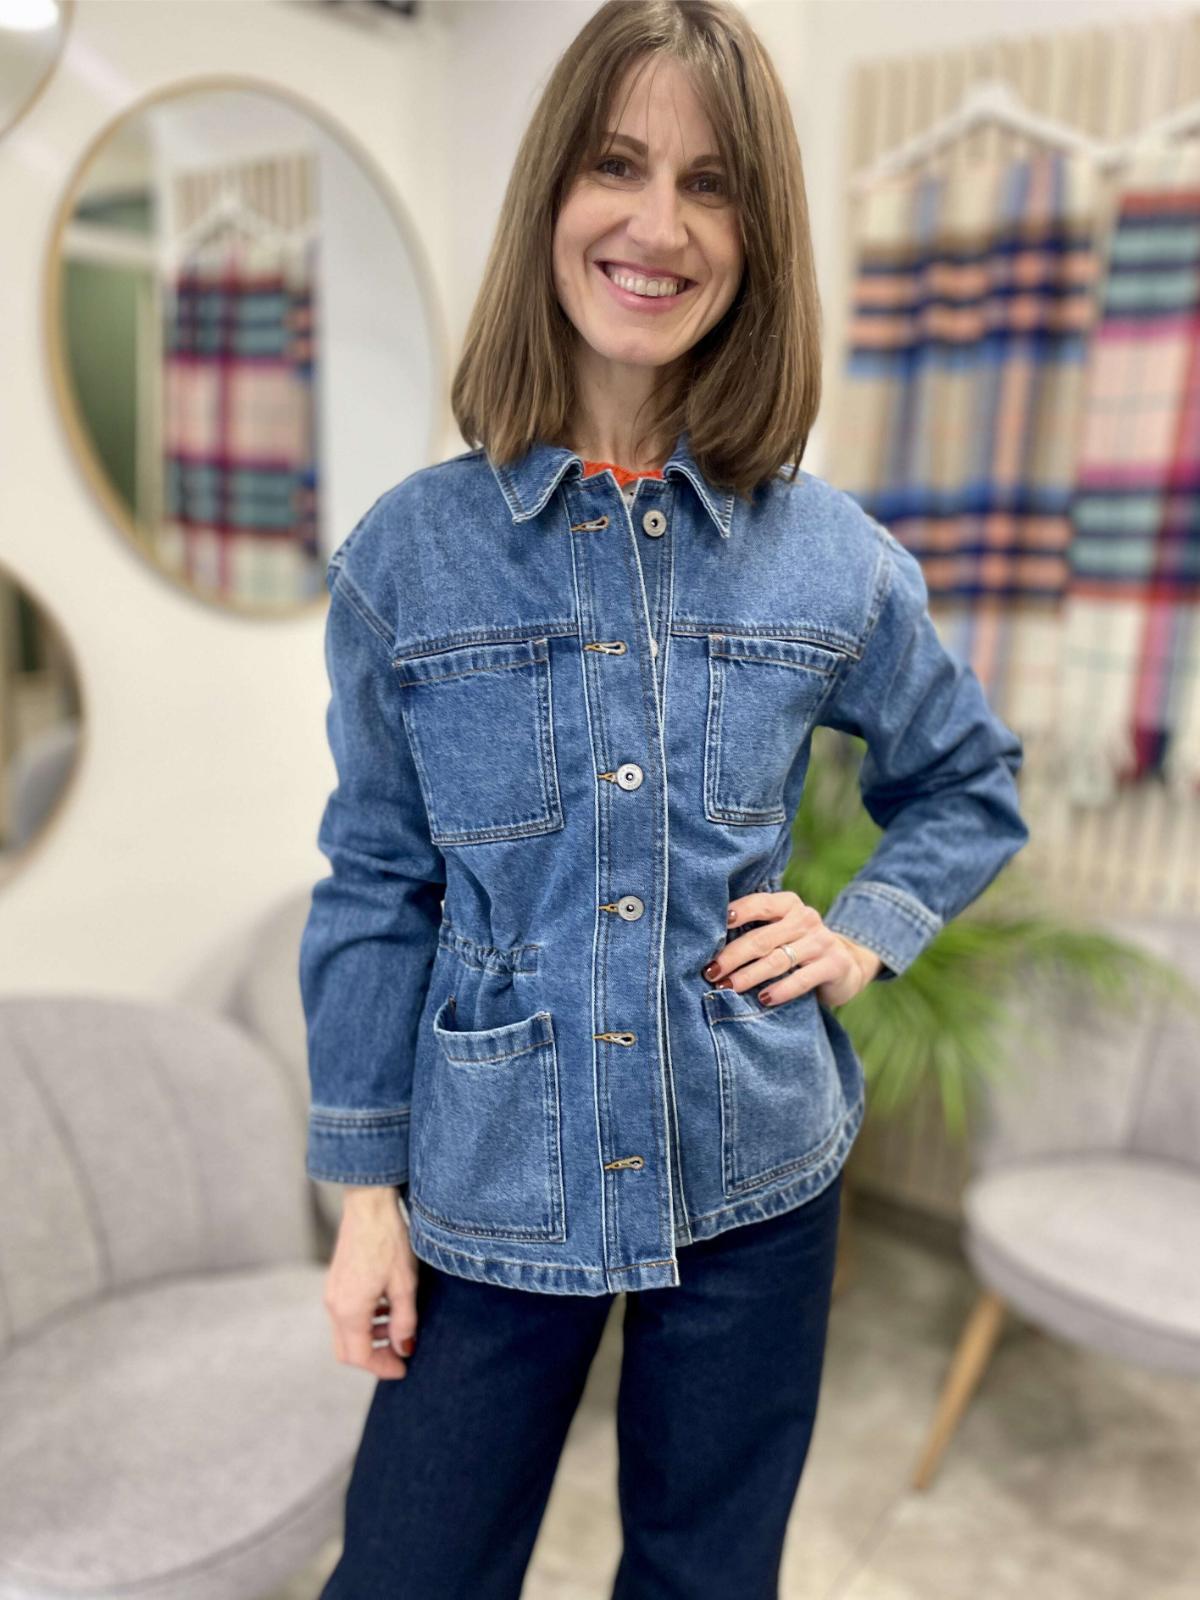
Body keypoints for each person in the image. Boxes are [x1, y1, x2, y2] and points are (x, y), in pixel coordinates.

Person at [298, 2, 1030, 1594]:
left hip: (756, 1167)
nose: (658, 224)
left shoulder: (830, 558)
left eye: (711, 185)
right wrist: (363, 1195)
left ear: (757, 241)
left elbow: (970, 780)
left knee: (709, 1578)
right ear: (551, 197)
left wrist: (861, 934)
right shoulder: (408, 558)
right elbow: (375, 884)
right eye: (617, 166)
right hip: (490, 1183)